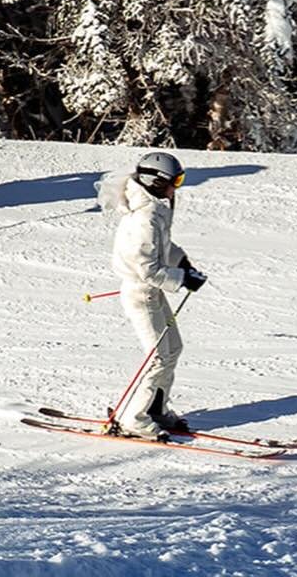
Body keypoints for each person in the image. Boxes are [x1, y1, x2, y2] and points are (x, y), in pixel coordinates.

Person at [102, 151, 207, 438]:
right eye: (177, 181)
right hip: (140, 294)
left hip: (153, 293)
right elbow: (147, 269)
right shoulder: (144, 219)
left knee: (173, 348)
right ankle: (132, 418)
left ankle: (156, 408)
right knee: (157, 356)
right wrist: (181, 278)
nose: (178, 187)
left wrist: (183, 264)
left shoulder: (155, 210)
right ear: (156, 182)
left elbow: (163, 248)